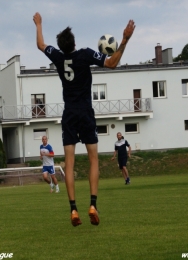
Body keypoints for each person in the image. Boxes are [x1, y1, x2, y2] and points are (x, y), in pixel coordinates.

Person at [33, 12, 135, 226]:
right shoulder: (86, 54)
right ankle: (92, 205)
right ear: (75, 42)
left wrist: (39, 24)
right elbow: (112, 63)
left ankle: (73, 210)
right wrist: (124, 40)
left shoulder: (59, 58)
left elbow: (41, 44)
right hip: (86, 112)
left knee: (69, 164)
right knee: (93, 159)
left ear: (61, 46)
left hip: (69, 114)